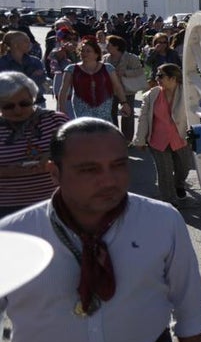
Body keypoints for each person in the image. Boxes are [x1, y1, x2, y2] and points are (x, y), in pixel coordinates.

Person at [0, 117, 201, 342]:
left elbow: (189, 304)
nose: (109, 180)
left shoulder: (162, 221)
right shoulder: (13, 237)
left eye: (118, 165)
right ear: (54, 172)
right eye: (88, 169)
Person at [0, 71, 70, 218]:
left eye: (24, 103)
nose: (17, 110)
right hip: (6, 209)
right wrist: (7, 171)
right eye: (8, 106)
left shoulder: (55, 121)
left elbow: (81, 152)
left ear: (33, 99)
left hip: (54, 203)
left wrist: (53, 156)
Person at [132, 64, 193, 206]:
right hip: (158, 139)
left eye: (160, 76)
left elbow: (197, 113)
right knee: (164, 171)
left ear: (173, 78)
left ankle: (179, 184)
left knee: (184, 167)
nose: (156, 78)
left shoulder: (188, 93)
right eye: (156, 75)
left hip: (181, 138)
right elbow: (143, 118)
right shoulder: (151, 95)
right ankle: (169, 202)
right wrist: (140, 139)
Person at [58, 39, 133, 123]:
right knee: (86, 131)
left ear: (96, 54)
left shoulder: (108, 68)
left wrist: (124, 103)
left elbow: (118, 87)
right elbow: (63, 90)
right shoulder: (71, 69)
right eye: (82, 51)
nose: (84, 53)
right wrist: (62, 110)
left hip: (104, 108)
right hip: (82, 107)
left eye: (88, 51)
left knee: (103, 132)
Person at [105, 34, 147, 141]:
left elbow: (140, 70)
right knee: (111, 113)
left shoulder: (131, 58)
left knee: (127, 114)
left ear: (116, 46)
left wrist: (125, 73)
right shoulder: (105, 58)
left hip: (127, 90)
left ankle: (127, 139)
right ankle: (114, 137)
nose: (106, 47)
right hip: (110, 90)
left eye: (109, 45)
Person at [0, 30, 47, 106]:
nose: (30, 44)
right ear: (15, 44)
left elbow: (41, 79)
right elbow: (5, 85)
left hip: (37, 102)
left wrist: (18, 80)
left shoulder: (35, 61)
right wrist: (31, 77)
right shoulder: (2, 63)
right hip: (12, 105)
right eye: (26, 41)